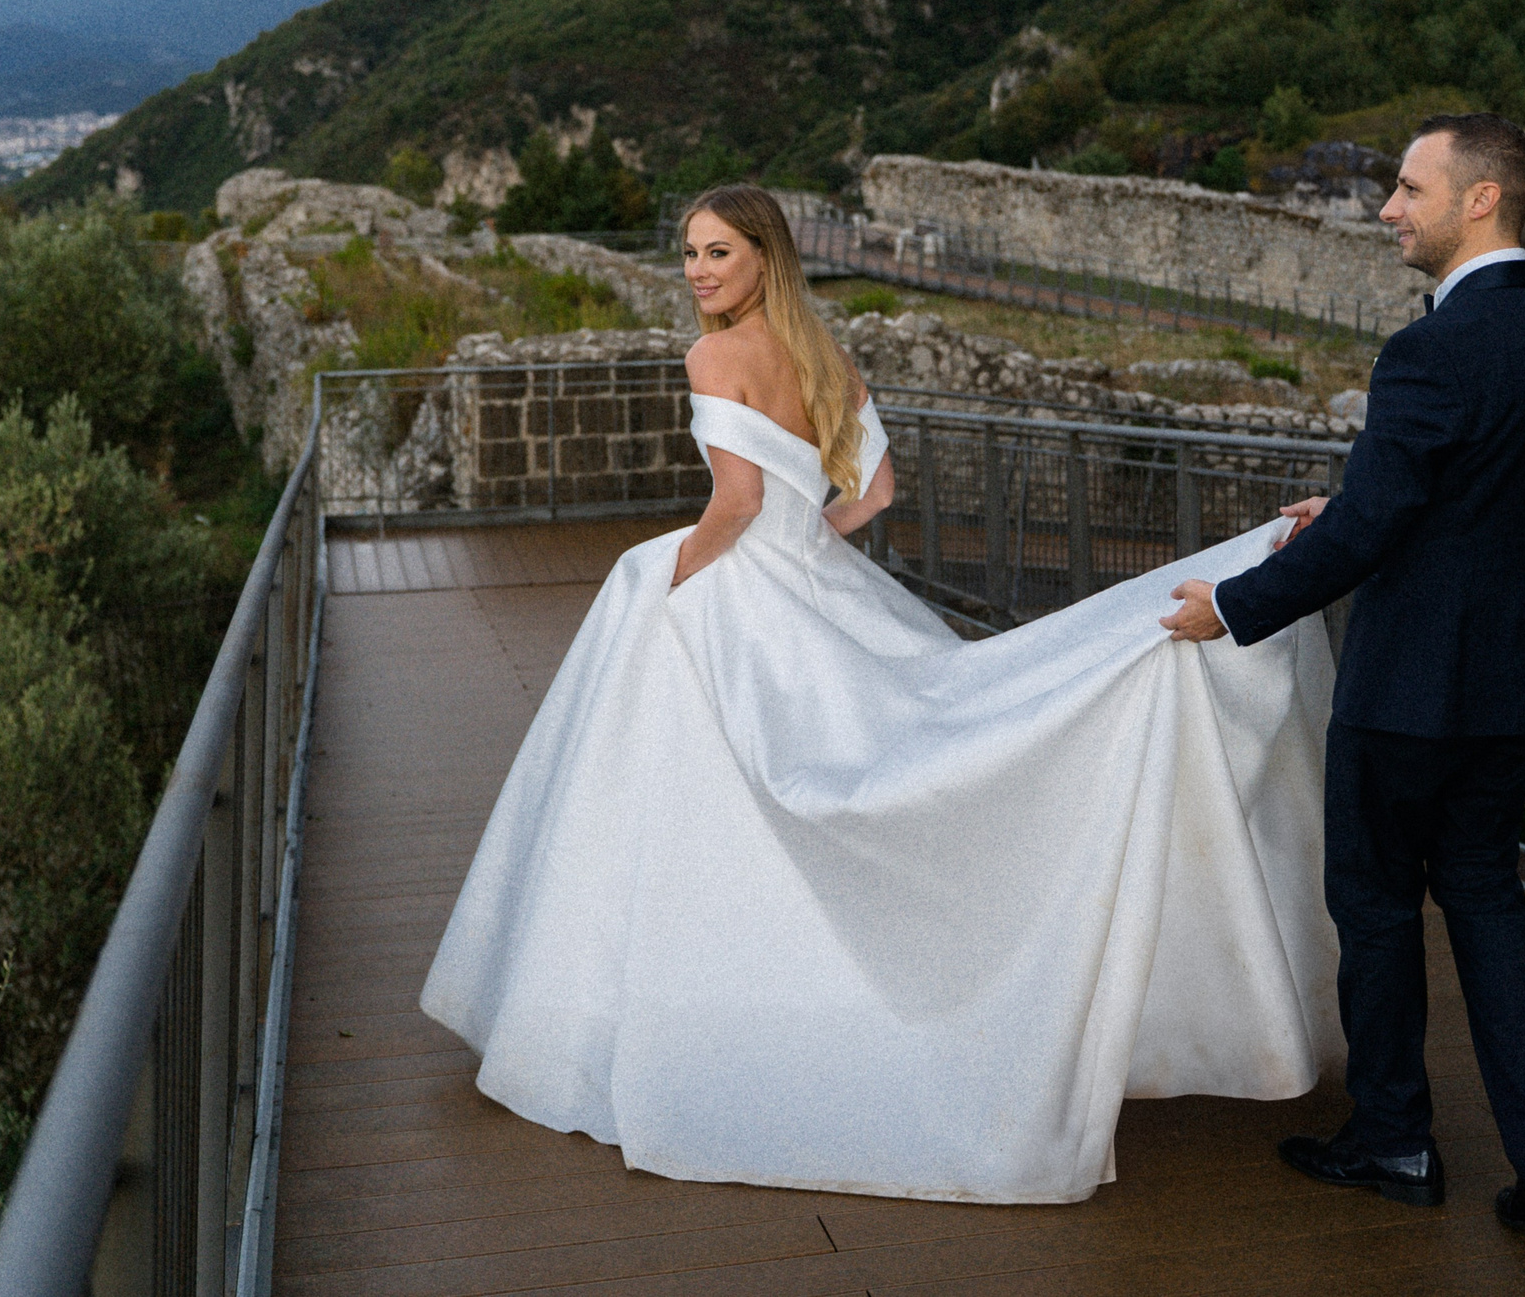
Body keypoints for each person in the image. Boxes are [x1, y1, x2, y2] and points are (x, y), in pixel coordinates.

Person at [421, 183, 1341, 1203]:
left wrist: (668, 578)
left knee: (686, 796)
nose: (697, 271)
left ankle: (691, 1001)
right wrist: (807, 548)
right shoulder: (823, 354)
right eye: (688, 252)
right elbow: (876, 492)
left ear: (763, 255)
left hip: (734, 587)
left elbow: (734, 501)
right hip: (811, 583)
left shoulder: (711, 356)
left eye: (718, 251)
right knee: (881, 750)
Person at [1160, 113, 1525, 1242]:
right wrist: (1354, 500)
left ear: (1481, 198)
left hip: (1412, 687)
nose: (1388, 207)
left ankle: (1394, 1138)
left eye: (1411, 188)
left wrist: (1233, 606)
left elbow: (1377, 530)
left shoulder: (1431, 349)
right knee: (1487, 896)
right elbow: (1485, 495)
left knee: (1373, 908)